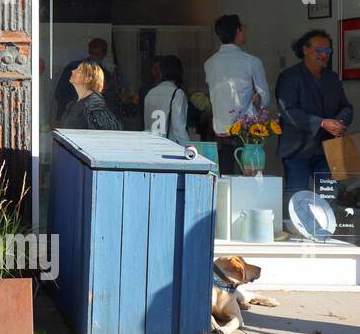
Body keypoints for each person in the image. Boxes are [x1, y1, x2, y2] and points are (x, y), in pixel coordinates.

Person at [276, 30, 353, 197]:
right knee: (297, 199)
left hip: (328, 150)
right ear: (305, 50)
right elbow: (289, 111)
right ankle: (295, 225)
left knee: (328, 198)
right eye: (319, 50)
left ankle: (327, 225)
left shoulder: (332, 78)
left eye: (328, 51)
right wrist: (322, 123)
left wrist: (339, 121)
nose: (324, 55)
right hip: (298, 149)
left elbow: (346, 107)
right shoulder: (289, 77)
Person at [203, 14, 270, 175]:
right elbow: (264, 96)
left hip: (220, 130)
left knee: (224, 177)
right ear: (238, 31)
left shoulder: (209, 63)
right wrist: (259, 105)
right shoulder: (251, 61)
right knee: (250, 179)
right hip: (247, 133)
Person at [53, 38, 123, 123]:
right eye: (91, 53)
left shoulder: (105, 75)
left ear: (103, 54)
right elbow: (60, 92)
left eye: (97, 54)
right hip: (71, 115)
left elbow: (110, 99)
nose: (93, 57)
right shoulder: (73, 68)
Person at [58, 61, 123, 131]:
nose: (73, 71)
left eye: (79, 70)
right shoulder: (73, 103)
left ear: (88, 79)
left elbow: (108, 129)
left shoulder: (94, 102)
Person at [143, 55, 188, 143]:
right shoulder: (177, 94)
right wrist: (189, 147)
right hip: (170, 147)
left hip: (152, 145)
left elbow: (147, 125)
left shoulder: (150, 93)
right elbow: (178, 128)